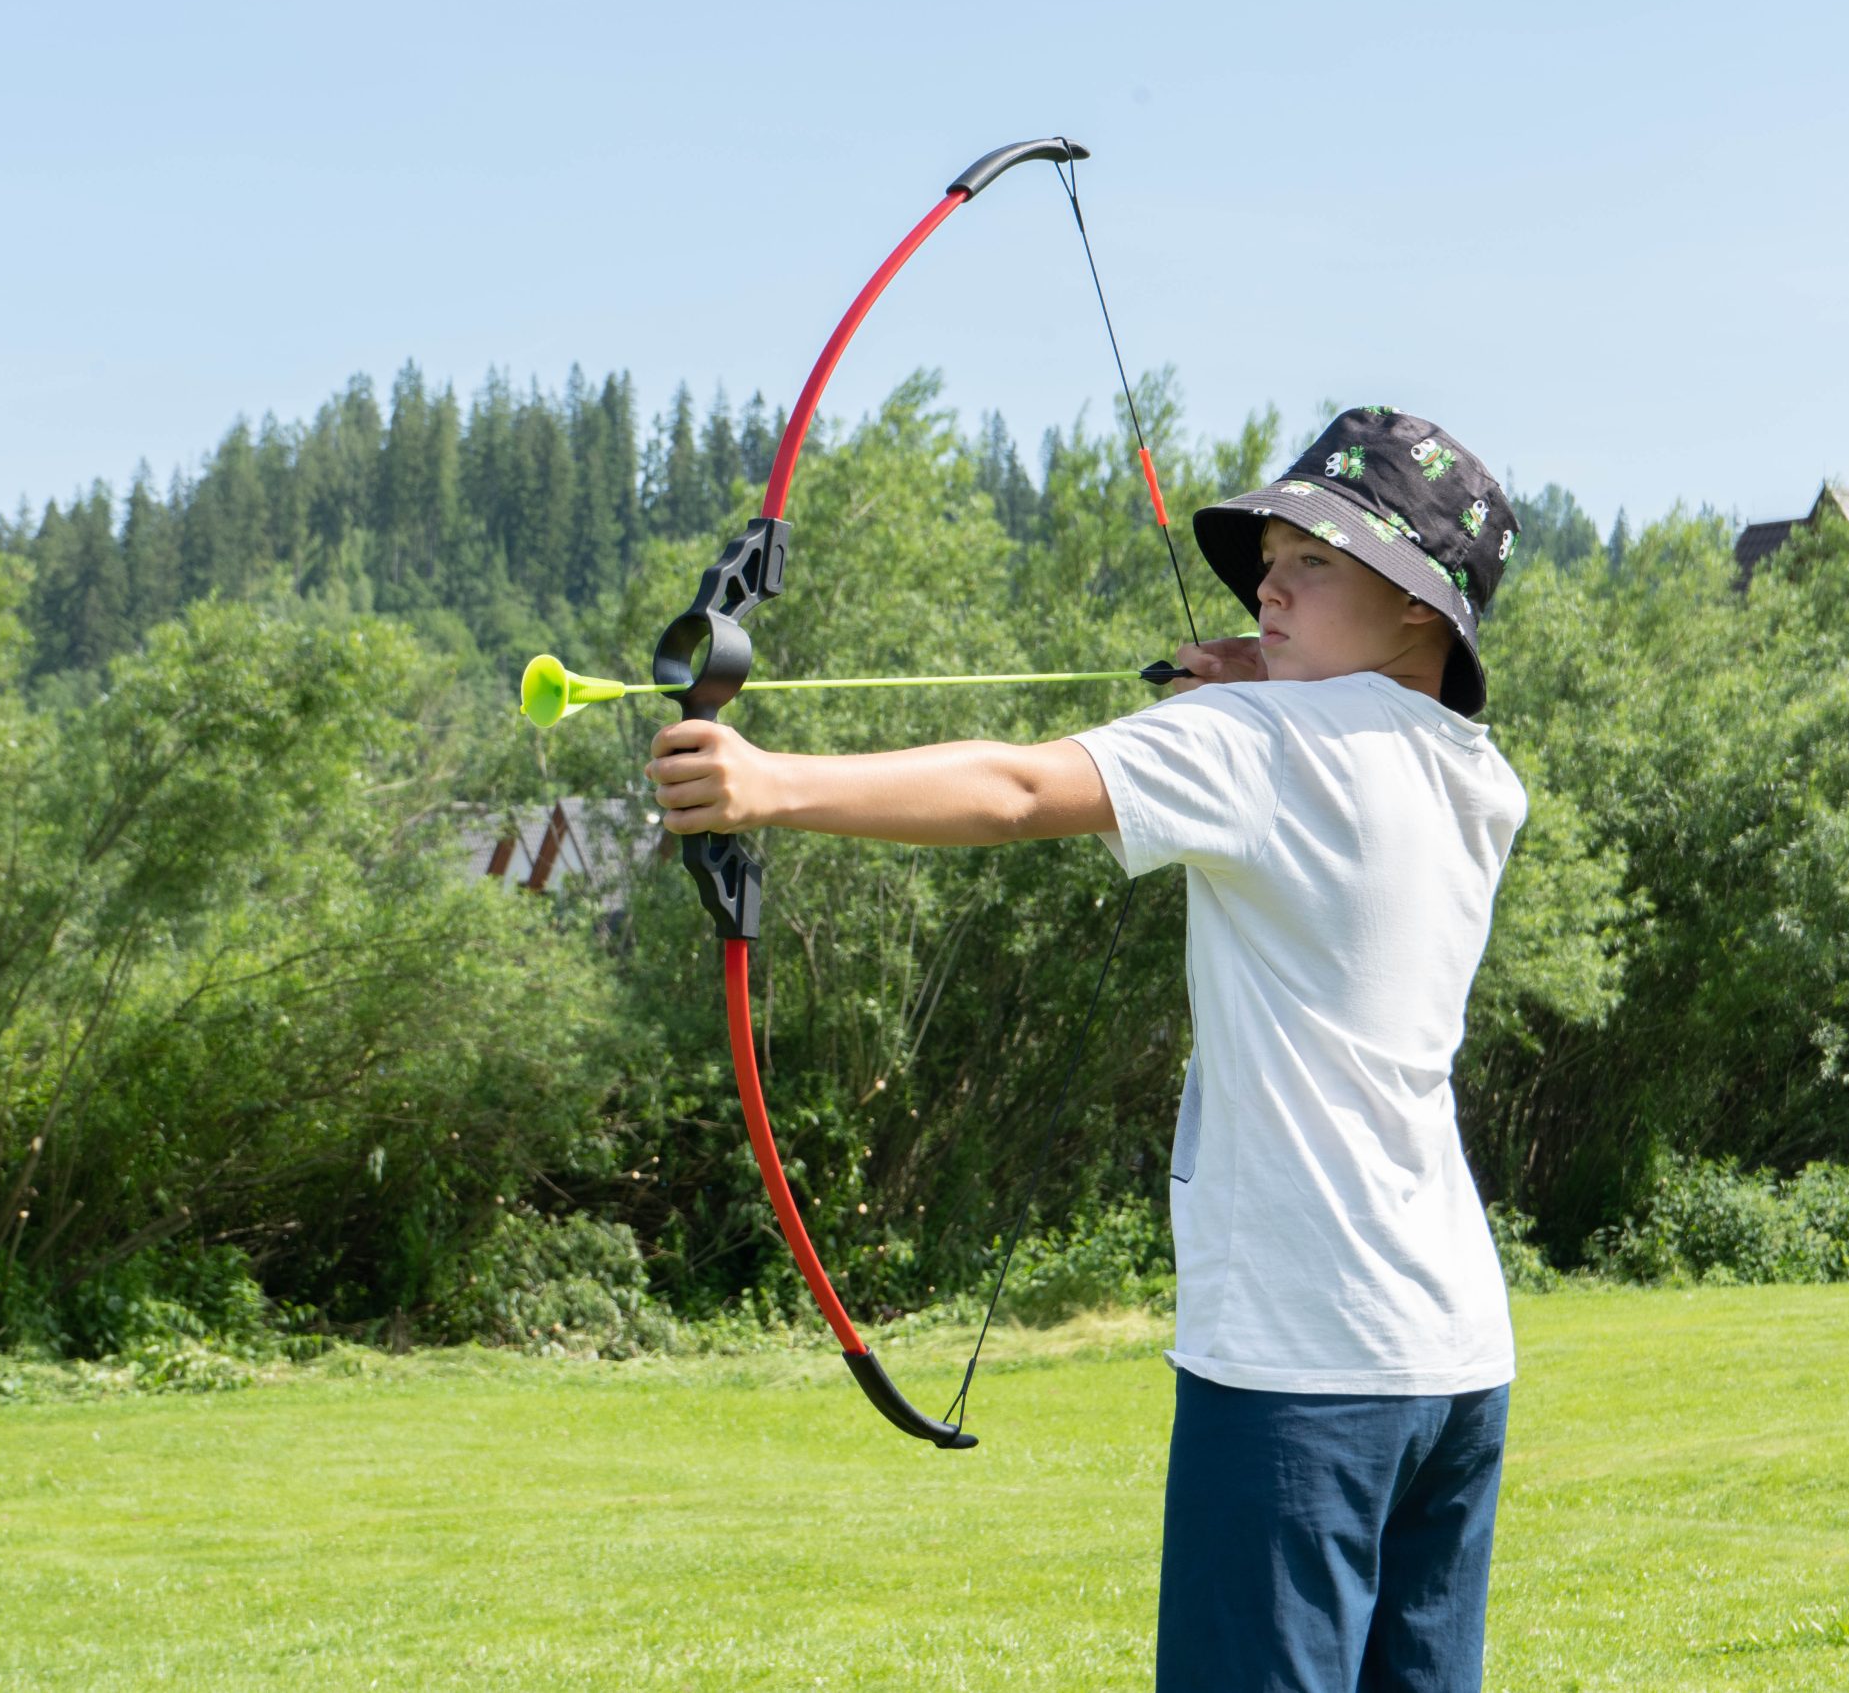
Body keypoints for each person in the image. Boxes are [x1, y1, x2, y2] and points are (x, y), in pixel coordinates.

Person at [647, 406, 1528, 1693]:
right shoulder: (1478, 776)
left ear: (1417, 608)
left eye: (1317, 563)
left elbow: (1015, 789)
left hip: (1301, 1364)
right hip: (1454, 1362)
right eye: (1269, 558)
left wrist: (767, 784)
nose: (1271, 585)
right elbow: (1383, 732)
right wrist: (1276, 675)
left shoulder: (1267, 746)